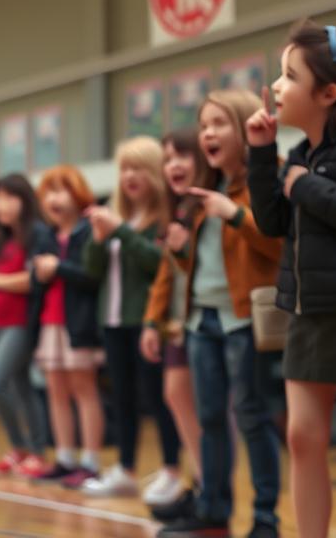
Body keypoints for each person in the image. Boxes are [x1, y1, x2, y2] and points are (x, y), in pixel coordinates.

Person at [247, 21, 336, 538]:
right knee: (303, 439)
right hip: (307, 312)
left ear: (327, 93)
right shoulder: (302, 153)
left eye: (288, 75)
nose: (277, 86)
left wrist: (305, 187)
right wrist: (262, 156)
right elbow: (273, 223)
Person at [157, 90, 283, 538]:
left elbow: (276, 245)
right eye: (204, 124)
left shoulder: (264, 182)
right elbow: (204, 266)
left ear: (246, 126)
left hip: (245, 319)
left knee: (252, 417)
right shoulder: (201, 192)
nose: (208, 133)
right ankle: (212, 512)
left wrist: (234, 215)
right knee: (210, 418)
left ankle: (265, 519)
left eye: (219, 123)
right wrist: (181, 252)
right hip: (201, 321)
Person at [81, 137, 182, 503]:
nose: (130, 176)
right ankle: (125, 470)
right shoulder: (116, 214)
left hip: (148, 323)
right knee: (122, 399)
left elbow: (160, 265)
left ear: (156, 173)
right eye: (124, 168)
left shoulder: (163, 219)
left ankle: (172, 470)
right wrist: (97, 240)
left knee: (158, 399)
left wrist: (119, 231)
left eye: (139, 168)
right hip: (113, 321)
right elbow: (92, 272)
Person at [140, 130, 213, 522]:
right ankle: (202, 484)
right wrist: (152, 320)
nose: (174, 165)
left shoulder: (208, 206)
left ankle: (211, 492)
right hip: (179, 324)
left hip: (208, 320)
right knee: (175, 395)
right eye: (167, 158)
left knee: (213, 411)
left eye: (182, 155)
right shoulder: (178, 211)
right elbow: (167, 275)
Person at [30, 166, 104, 487]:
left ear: (78, 194)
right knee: (56, 390)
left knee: (83, 389)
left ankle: (90, 460)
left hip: (79, 324)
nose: (53, 199)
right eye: (48, 193)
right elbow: (36, 279)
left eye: (61, 191)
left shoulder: (88, 231)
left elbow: (92, 275)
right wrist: (39, 273)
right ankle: (64, 457)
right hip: (50, 322)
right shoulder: (46, 235)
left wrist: (58, 267)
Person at [0, 174, 50, 479]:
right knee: (20, 386)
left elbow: (33, 280)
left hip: (21, 323)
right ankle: (23, 451)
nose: (2, 205)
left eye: (10, 197)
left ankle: (34, 450)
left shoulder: (37, 234)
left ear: (25, 200)